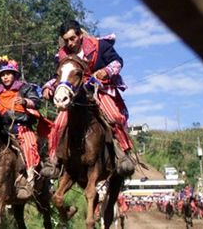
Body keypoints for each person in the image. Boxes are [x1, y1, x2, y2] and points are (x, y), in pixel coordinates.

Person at [41, 20, 134, 178]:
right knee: (57, 124)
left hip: (99, 89)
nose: (70, 43)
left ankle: (122, 154)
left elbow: (118, 61)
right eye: (66, 40)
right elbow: (57, 77)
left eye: (72, 38)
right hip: (76, 95)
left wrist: (107, 70)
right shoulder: (63, 56)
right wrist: (47, 87)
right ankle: (53, 160)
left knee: (114, 116)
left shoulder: (100, 46)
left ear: (80, 35)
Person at [0, 56, 41, 199]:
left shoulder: (25, 88)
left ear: (15, 74)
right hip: (2, 131)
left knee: (30, 145)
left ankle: (30, 178)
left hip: (21, 128)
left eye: (8, 74)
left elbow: (37, 102)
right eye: (2, 75)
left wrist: (24, 101)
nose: (5, 77)